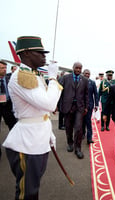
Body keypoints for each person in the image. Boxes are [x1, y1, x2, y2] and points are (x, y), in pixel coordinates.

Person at [2, 36, 62, 199]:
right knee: (27, 192)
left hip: (37, 139)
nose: (44, 56)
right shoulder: (21, 76)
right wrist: (53, 78)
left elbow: (40, 112)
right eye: (40, 52)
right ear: (27, 53)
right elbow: (49, 104)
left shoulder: (34, 75)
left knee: (33, 187)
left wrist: (48, 133)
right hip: (27, 143)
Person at [59, 62, 89, 159]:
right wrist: (59, 106)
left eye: (80, 68)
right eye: (76, 68)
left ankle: (78, 148)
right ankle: (70, 143)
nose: (78, 70)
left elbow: (86, 95)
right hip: (68, 106)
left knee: (79, 128)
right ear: (73, 68)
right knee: (68, 126)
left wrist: (86, 107)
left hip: (79, 107)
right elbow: (61, 93)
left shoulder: (84, 80)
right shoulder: (65, 78)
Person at [0, 60, 18, 159]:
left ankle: (14, 146)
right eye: (2, 68)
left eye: (5, 68)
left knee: (13, 126)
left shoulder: (8, 79)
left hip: (7, 105)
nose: (4, 70)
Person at [82, 69, 99, 144]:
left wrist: (96, 105)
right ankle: (82, 134)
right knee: (81, 121)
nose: (87, 75)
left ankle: (89, 138)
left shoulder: (92, 83)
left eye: (88, 74)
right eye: (86, 73)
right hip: (81, 105)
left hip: (90, 105)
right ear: (83, 74)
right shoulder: (80, 81)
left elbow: (96, 94)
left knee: (88, 121)